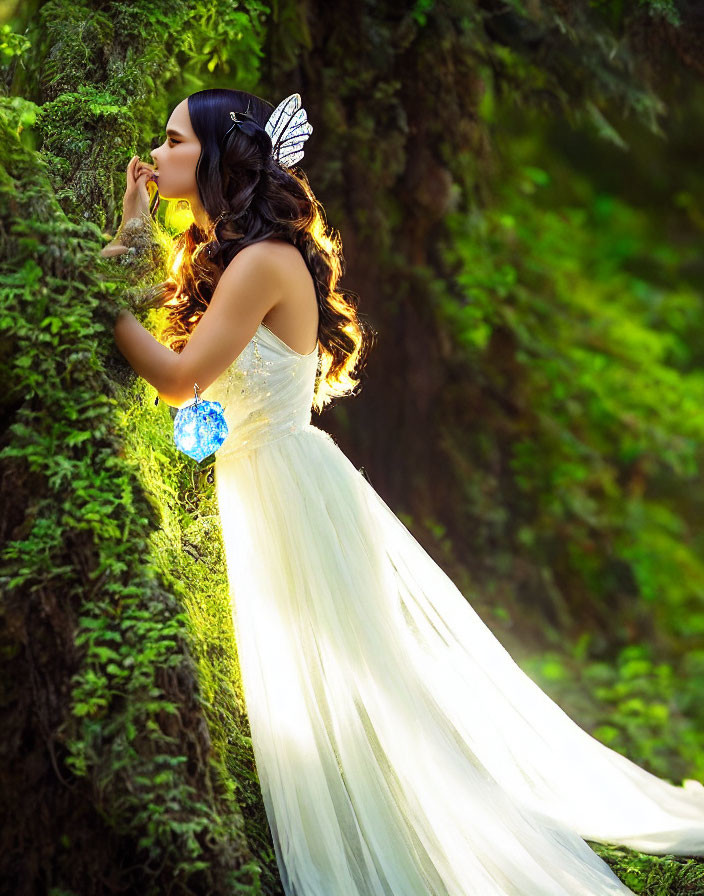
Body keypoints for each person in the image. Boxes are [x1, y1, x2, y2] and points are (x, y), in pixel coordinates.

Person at [104, 88, 704, 896]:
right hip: (268, 483)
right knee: (334, 690)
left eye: (173, 140)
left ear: (216, 155)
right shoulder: (241, 258)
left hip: (290, 488)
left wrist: (91, 293)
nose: (159, 151)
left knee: (368, 693)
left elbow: (178, 381)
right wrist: (132, 229)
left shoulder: (262, 262)